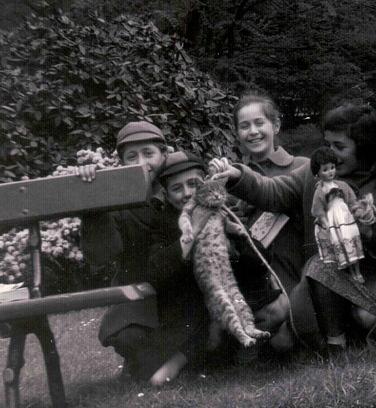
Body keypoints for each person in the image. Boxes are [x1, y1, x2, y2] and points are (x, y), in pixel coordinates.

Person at [209, 103, 376, 353]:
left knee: (369, 317)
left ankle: (360, 335)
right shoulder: (314, 173)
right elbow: (274, 191)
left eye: (339, 147)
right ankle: (334, 342)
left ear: (364, 149)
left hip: (371, 276)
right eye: (327, 144)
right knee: (302, 322)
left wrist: (370, 233)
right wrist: (237, 176)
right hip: (323, 275)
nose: (330, 153)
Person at [147, 151, 290, 383]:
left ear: (204, 182)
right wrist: (190, 234)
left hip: (232, 292)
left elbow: (259, 261)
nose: (187, 193)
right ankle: (200, 355)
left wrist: (241, 240)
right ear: (166, 193)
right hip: (195, 304)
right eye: (177, 188)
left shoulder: (220, 207)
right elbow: (158, 273)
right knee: (206, 340)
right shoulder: (163, 222)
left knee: (277, 309)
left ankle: (244, 351)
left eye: (193, 184)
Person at [77, 121, 172, 382]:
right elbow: (101, 256)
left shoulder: (179, 189)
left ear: (165, 155)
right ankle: (142, 358)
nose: (141, 162)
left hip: (177, 290)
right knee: (131, 338)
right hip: (137, 292)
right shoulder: (116, 201)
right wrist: (93, 199)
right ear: (121, 164)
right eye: (132, 156)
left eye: (149, 153)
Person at [231, 93, 309, 295]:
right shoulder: (232, 179)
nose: (253, 132)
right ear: (237, 133)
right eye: (245, 126)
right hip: (253, 278)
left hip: (297, 271)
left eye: (259, 123)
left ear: (275, 126)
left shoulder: (303, 167)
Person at [310, 147, 365, 283]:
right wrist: (325, 222)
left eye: (332, 167)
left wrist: (357, 209)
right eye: (325, 169)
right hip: (334, 220)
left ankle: (357, 272)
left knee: (351, 242)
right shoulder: (320, 191)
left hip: (346, 217)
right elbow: (318, 209)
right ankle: (351, 273)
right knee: (342, 245)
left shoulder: (342, 185)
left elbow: (351, 200)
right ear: (317, 173)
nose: (330, 172)